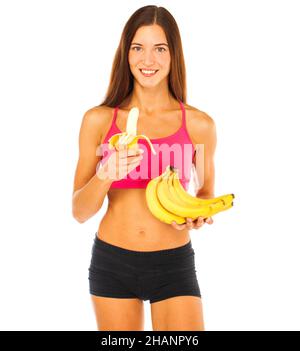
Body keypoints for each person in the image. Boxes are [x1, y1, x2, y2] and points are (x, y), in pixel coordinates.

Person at [72, 5, 216, 331]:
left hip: (173, 264)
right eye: (138, 48)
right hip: (112, 262)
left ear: (173, 54)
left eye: (159, 49)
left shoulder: (199, 125)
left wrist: (200, 212)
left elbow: (206, 190)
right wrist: (105, 174)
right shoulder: (97, 120)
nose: (147, 60)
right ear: (126, 53)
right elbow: (79, 211)